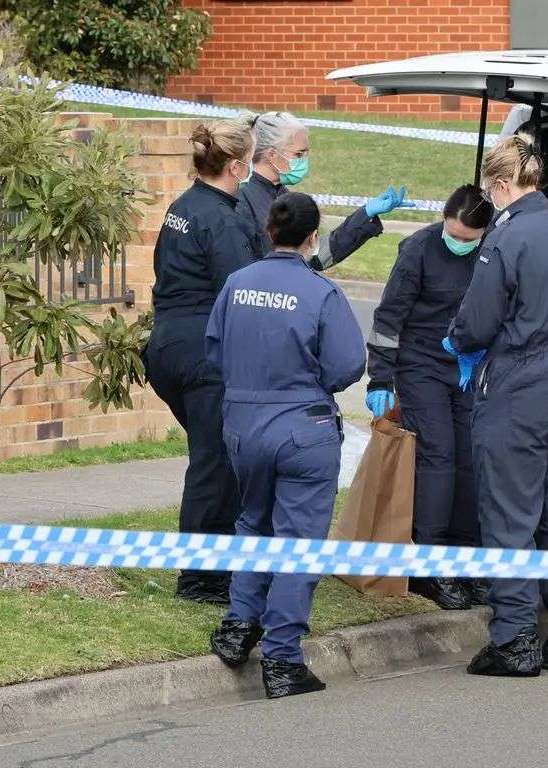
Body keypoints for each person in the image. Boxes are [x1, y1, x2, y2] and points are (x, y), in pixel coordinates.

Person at [445, 133, 548, 677]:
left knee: (510, 512)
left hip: (521, 380)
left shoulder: (505, 240)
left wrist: (458, 338)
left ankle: (515, 638)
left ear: (503, 184)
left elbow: (478, 322)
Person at [205, 192, 366, 699]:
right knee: (298, 543)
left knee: (253, 522)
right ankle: (282, 658)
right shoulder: (321, 292)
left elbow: (215, 350)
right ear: (312, 236)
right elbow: (346, 367)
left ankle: (237, 628)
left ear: (270, 233)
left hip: (243, 426)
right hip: (302, 428)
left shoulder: (238, 283)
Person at [366, 184, 494, 611]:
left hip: (469, 364)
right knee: (437, 454)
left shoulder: (493, 250)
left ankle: (464, 558)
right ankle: (429, 564)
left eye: (468, 239)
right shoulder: (418, 250)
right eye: (453, 234)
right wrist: (380, 379)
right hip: (421, 362)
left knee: (469, 456)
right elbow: (388, 318)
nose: (459, 243)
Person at [147, 117, 257, 604]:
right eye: (250, 161)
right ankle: (201, 577)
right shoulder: (224, 220)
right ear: (236, 166)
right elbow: (244, 293)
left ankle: (218, 566)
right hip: (203, 355)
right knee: (215, 465)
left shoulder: (183, 206)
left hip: (168, 344)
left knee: (215, 458)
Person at [239, 111, 413, 268]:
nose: (304, 160)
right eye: (299, 155)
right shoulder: (242, 199)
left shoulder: (281, 195)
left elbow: (315, 256)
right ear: (272, 154)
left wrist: (365, 215)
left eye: (306, 153)